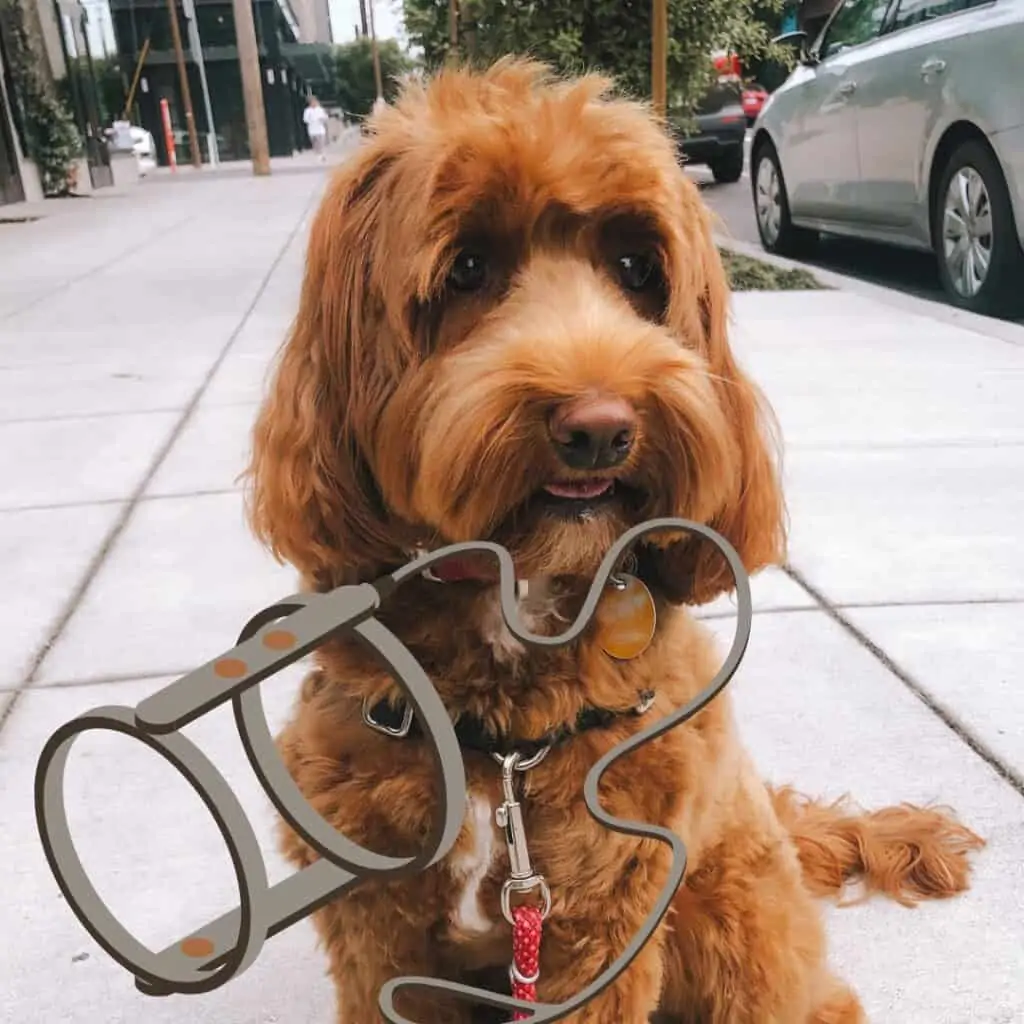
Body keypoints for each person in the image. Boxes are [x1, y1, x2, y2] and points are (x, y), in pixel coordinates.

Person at [303, 95, 330, 162]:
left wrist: (322, 119)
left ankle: (321, 155)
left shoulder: (320, 109)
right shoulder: (307, 110)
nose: (314, 103)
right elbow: (305, 119)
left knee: (321, 143)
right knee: (315, 144)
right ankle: (318, 154)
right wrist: (311, 120)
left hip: (320, 129)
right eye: (312, 102)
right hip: (312, 129)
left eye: (314, 102)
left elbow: (325, 117)